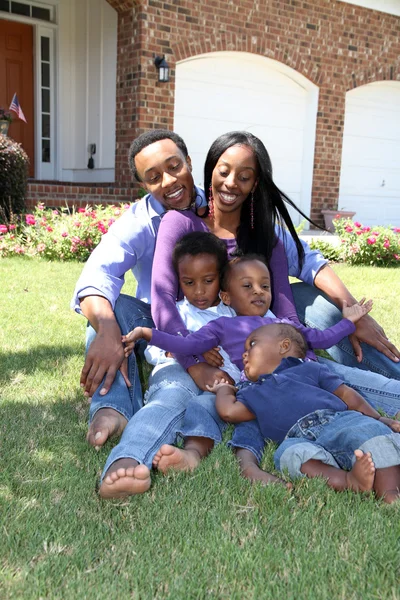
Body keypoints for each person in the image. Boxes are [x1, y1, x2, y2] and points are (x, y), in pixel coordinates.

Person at [72, 128, 400, 489]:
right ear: (210, 169)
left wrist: (326, 334)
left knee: (335, 374)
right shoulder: (174, 221)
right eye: (153, 176)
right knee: (156, 375)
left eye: (244, 177)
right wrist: (193, 361)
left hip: (255, 353)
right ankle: (123, 446)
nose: (231, 183)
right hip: (186, 338)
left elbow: (293, 297)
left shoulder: (264, 236)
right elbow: (155, 294)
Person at [123, 255, 375, 474]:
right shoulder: (222, 326)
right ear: (227, 297)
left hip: (297, 388)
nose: (258, 291)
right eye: (247, 286)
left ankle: (374, 420)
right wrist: (148, 333)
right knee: (207, 409)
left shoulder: (283, 325)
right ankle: (197, 455)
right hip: (254, 392)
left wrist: (348, 322)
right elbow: (188, 345)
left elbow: (322, 338)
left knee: (341, 397)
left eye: (264, 286)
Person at [98, 232, 242, 498]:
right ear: (179, 280)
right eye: (189, 282)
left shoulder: (234, 312)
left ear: (222, 277)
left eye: (208, 281)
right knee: (168, 400)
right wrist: (183, 353)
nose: (199, 291)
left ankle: (190, 455)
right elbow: (154, 347)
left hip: (220, 386)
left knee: (213, 411)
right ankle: (128, 458)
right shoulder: (177, 312)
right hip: (179, 375)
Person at [209, 323, 400, 503]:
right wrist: (225, 389)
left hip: (336, 420)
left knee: (370, 434)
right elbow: (229, 412)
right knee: (289, 455)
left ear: (284, 346)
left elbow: (346, 394)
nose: (244, 354)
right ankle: (348, 481)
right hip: (296, 437)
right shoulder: (251, 392)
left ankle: (390, 493)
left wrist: (377, 417)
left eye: (252, 344)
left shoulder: (309, 368)